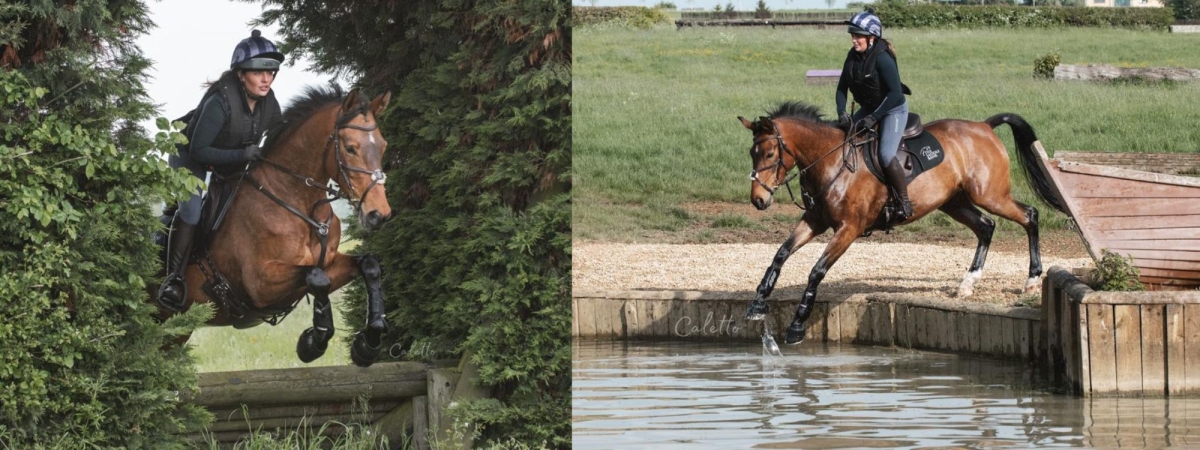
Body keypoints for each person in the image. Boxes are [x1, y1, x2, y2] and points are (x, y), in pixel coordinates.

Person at [156, 30, 284, 311]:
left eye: (271, 72)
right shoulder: (219, 103)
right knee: (191, 209)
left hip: (227, 158)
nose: (267, 79)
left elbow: (280, 136)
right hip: (190, 154)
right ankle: (174, 280)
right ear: (241, 74)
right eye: (259, 72)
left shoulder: (269, 102)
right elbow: (200, 151)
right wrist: (243, 154)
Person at [834, 10, 913, 221]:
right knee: (842, 139)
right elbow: (842, 88)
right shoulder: (852, 56)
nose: (854, 39)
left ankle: (904, 201)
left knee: (886, 155)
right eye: (853, 35)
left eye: (858, 36)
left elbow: (896, 94)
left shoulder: (882, 58)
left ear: (872, 38)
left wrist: (874, 117)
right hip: (869, 109)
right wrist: (841, 113)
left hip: (893, 109)